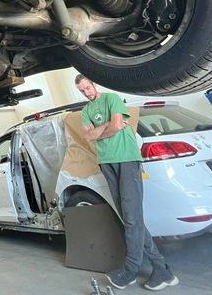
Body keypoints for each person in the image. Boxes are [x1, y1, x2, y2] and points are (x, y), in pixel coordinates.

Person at [75, 73, 179, 291]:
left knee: (132, 219)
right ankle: (163, 270)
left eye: (88, 87)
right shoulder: (86, 111)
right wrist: (107, 129)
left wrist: (99, 131)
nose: (87, 92)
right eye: (82, 90)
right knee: (130, 218)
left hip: (126, 159)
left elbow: (111, 127)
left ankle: (130, 271)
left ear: (94, 84)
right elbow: (89, 136)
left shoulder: (111, 98)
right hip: (106, 162)